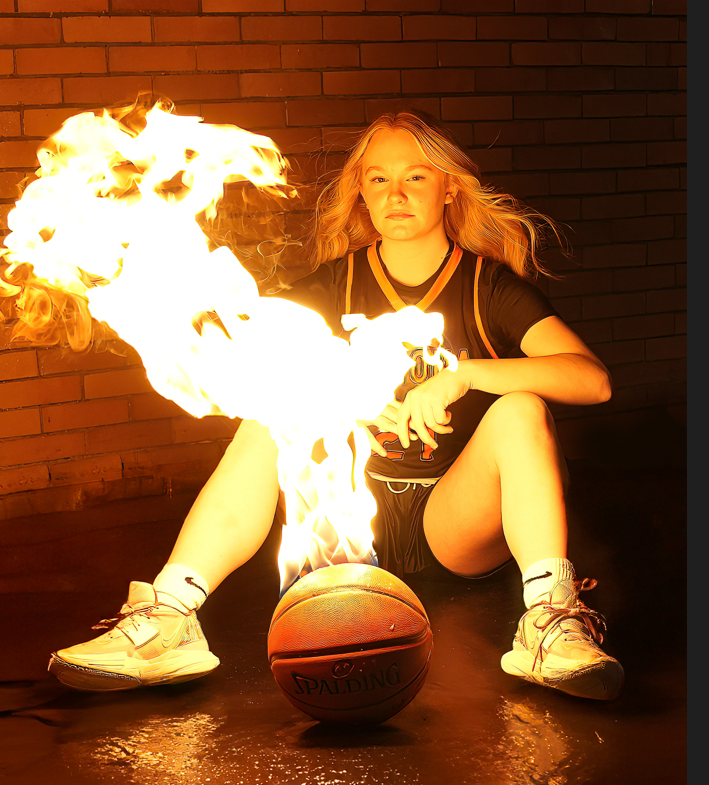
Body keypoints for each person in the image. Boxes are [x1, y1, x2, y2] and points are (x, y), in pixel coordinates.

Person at [47, 110, 624, 701]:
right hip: (357, 516)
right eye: (378, 179)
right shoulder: (335, 284)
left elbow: (592, 380)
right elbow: (255, 367)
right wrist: (350, 402)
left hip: (455, 521)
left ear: (449, 187)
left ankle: (550, 621)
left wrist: (465, 375)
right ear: (362, 195)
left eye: (416, 177)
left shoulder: (489, 288)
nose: (396, 194)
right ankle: (169, 617)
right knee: (269, 416)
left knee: (521, 409)